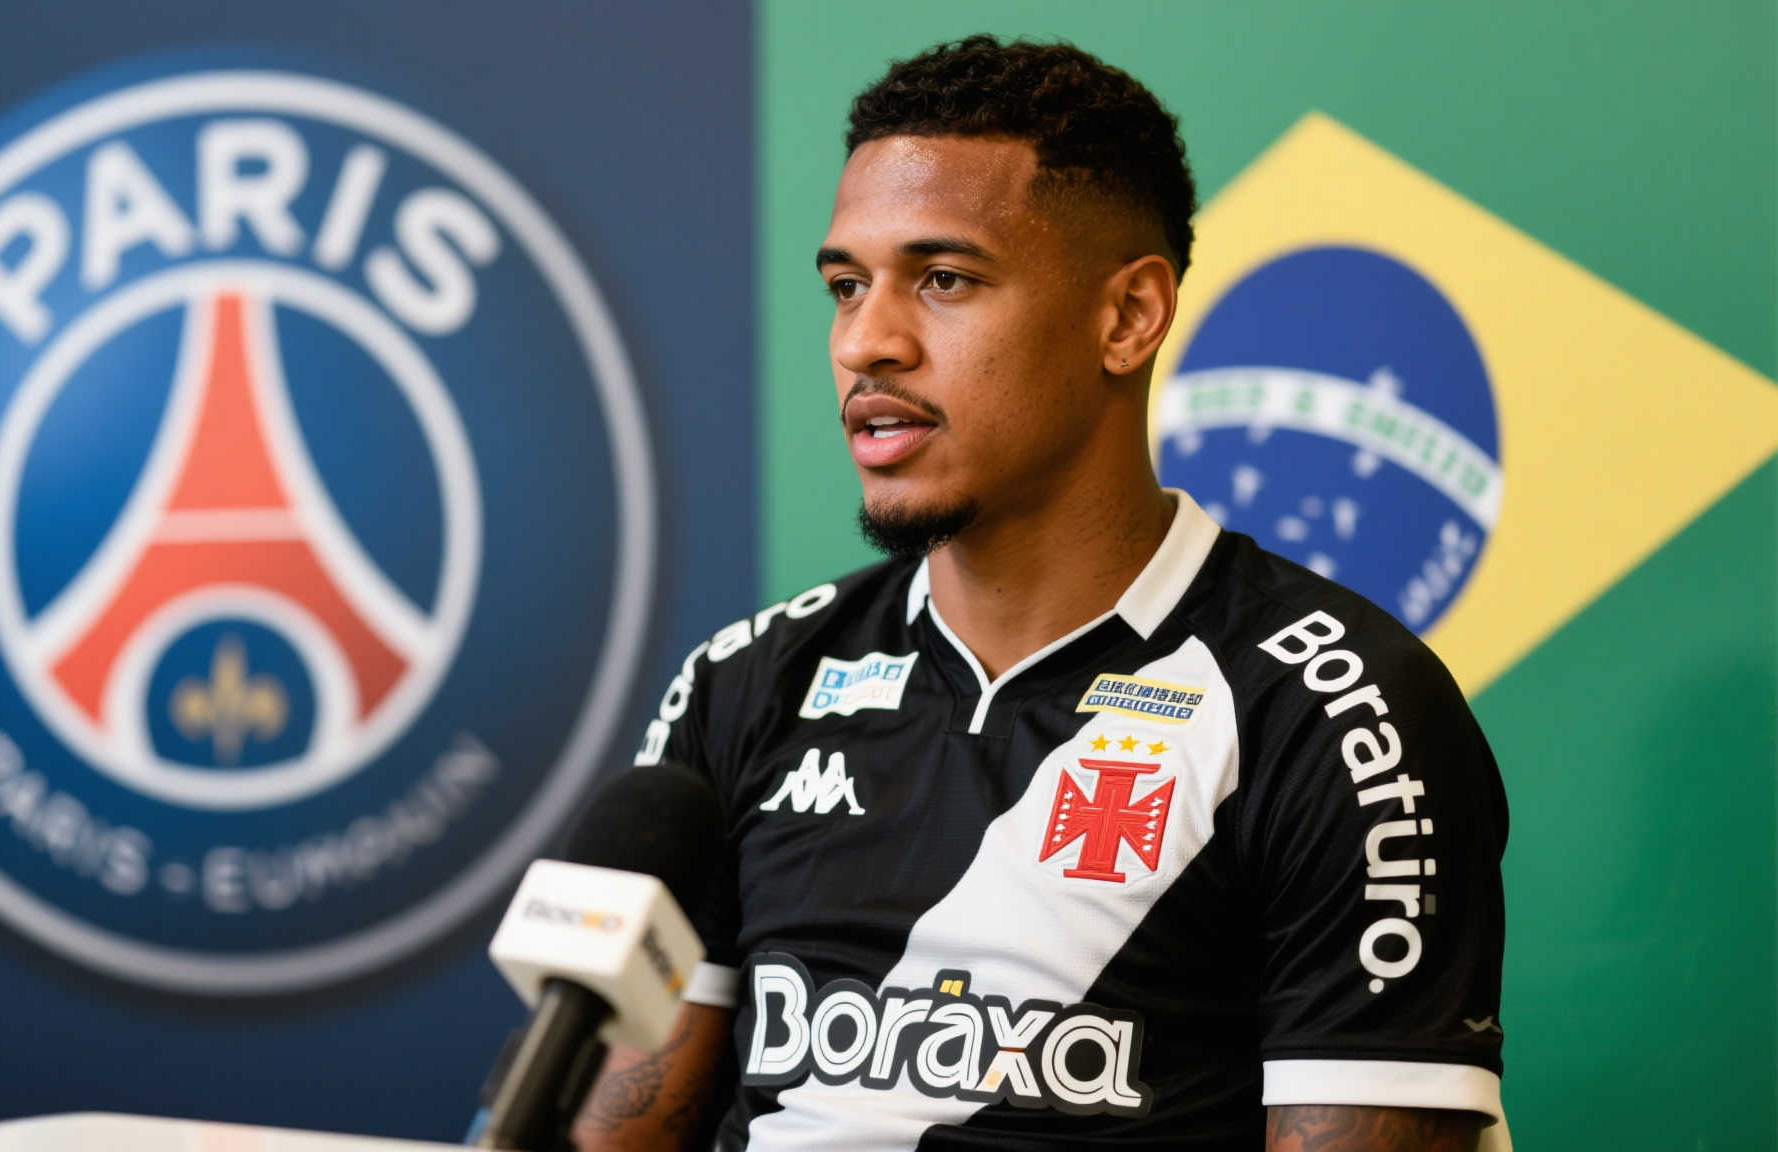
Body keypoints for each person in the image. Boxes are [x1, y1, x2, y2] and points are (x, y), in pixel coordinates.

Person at [574, 35, 1506, 1152]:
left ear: (1127, 318)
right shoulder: (746, 683)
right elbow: (604, 1127)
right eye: (845, 287)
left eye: (944, 280)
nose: (866, 343)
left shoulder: (1337, 713)